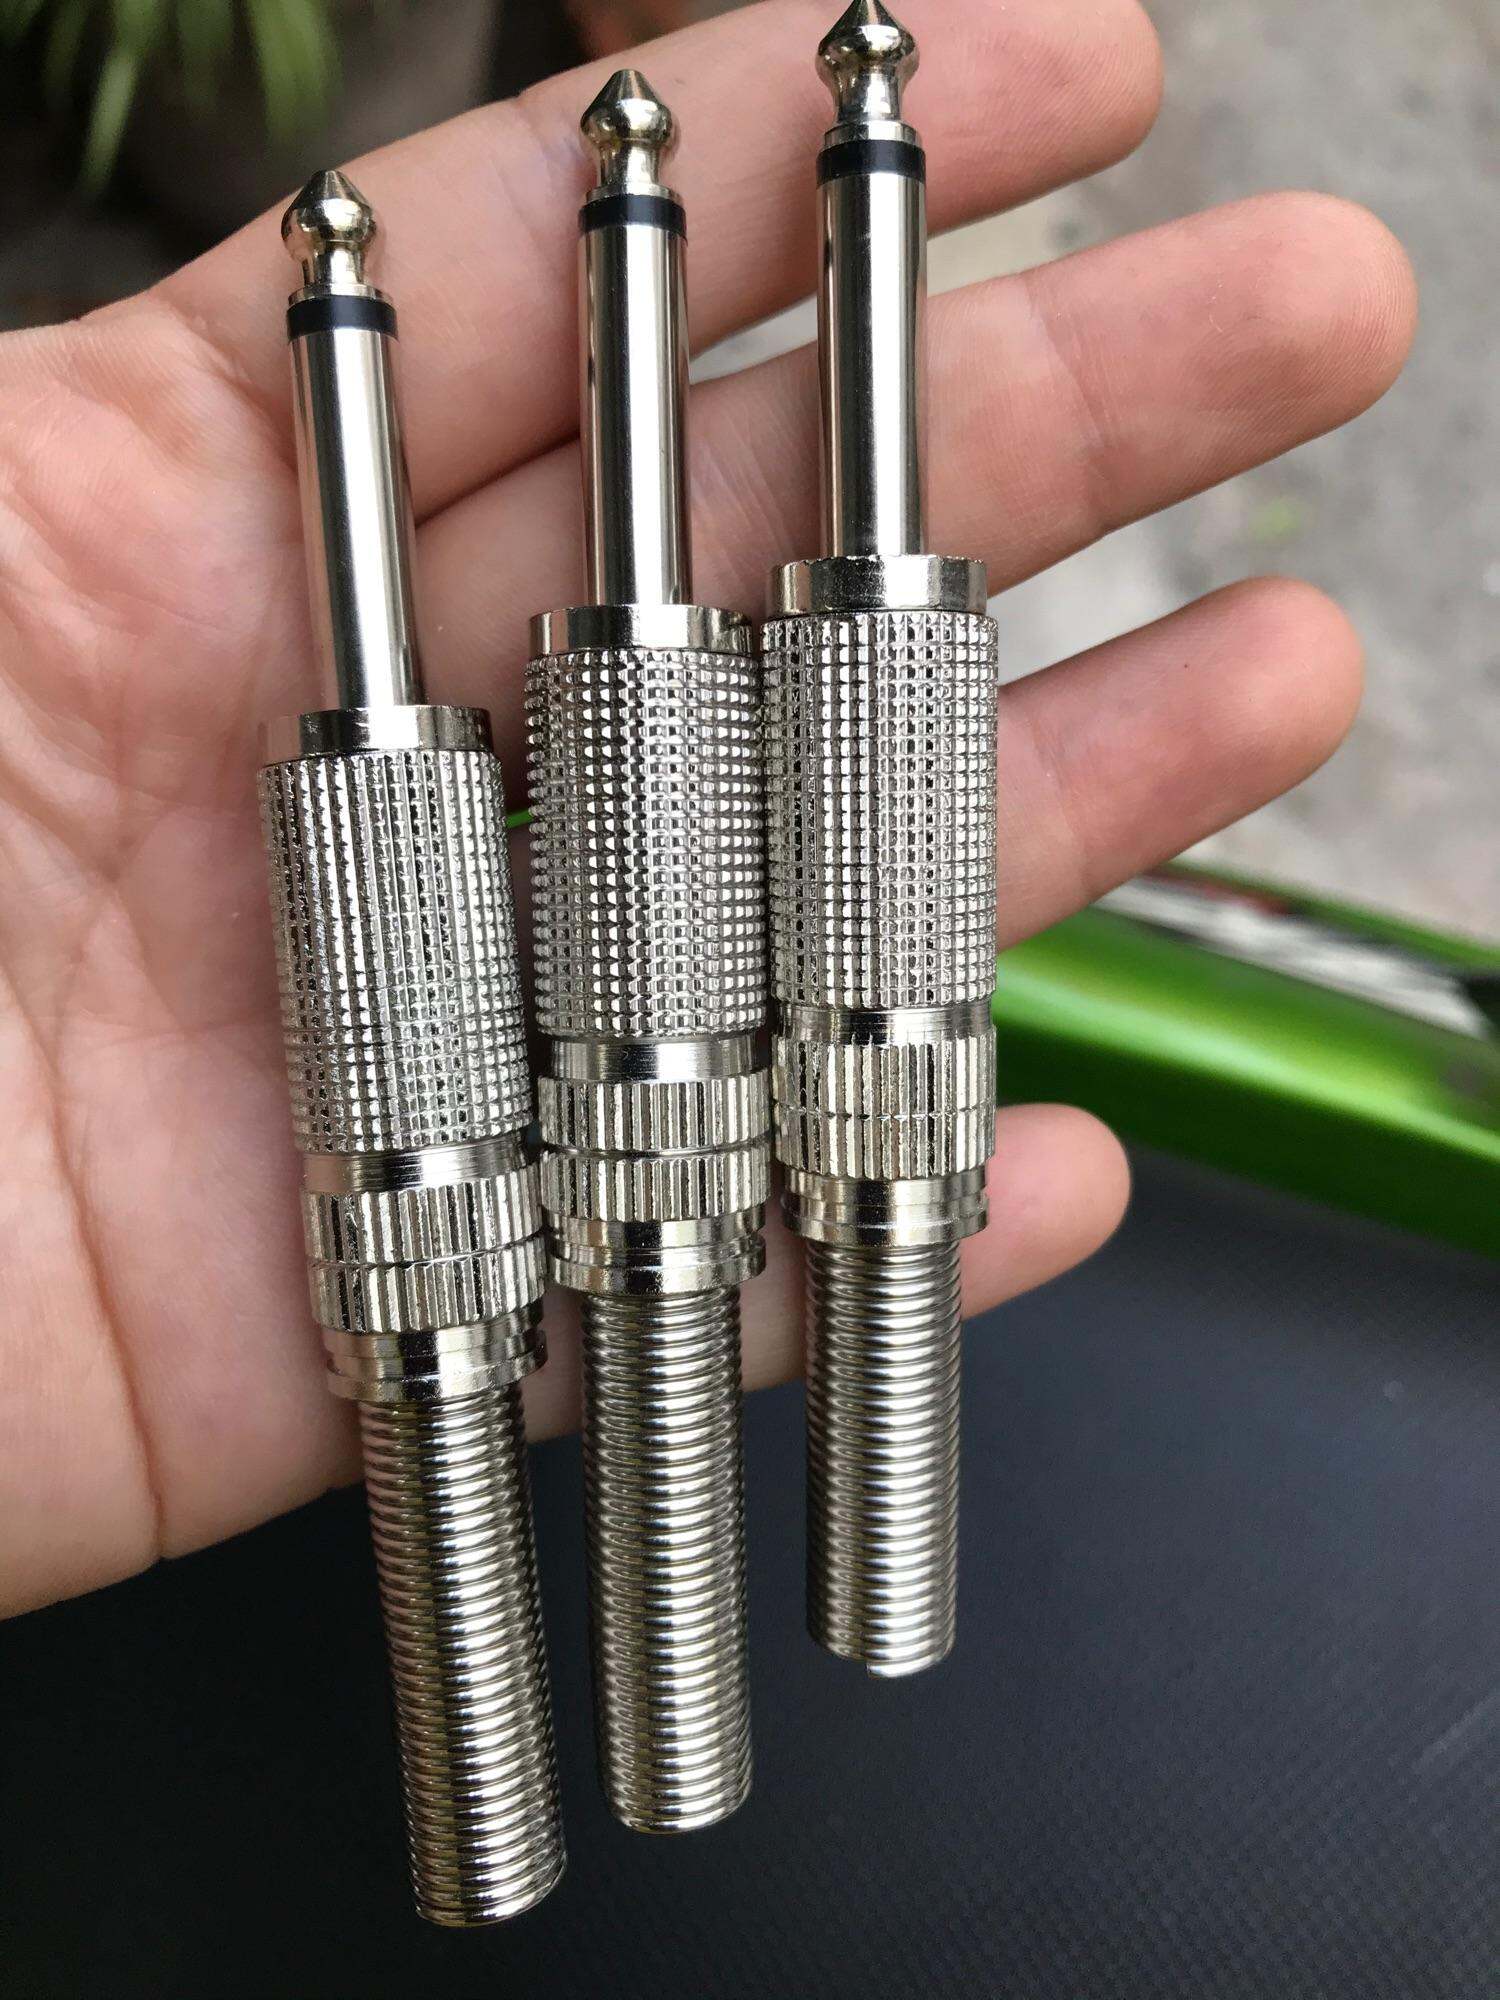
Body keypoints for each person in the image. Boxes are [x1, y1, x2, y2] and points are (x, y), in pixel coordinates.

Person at [0, 0, 1415, 1619]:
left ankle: (842, 1621)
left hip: (770, 1143)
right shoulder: (397, 783)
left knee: (774, 1588)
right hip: (514, 1219)